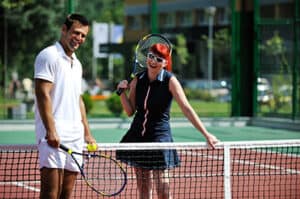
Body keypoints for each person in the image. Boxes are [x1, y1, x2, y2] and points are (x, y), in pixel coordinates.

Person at [116, 42, 219, 199]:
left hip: (159, 137)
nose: (153, 61)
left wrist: (206, 134)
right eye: (151, 56)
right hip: (138, 136)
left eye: (159, 59)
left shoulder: (170, 81)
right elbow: (130, 111)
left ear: (165, 62)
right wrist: (122, 93)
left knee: (163, 189)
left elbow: (187, 108)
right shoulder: (138, 80)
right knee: (144, 189)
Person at [34, 13, 97, 199]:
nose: (79, 38)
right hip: (53, 134)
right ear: (64, 30)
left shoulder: (77, 63)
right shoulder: (48, 56)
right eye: (76, 33)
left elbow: (78, 99)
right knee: (50, 193)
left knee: (66, 194)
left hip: (75, 136)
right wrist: (51, 130)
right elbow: (42, 93)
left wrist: (87, 133)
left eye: (83, 35)